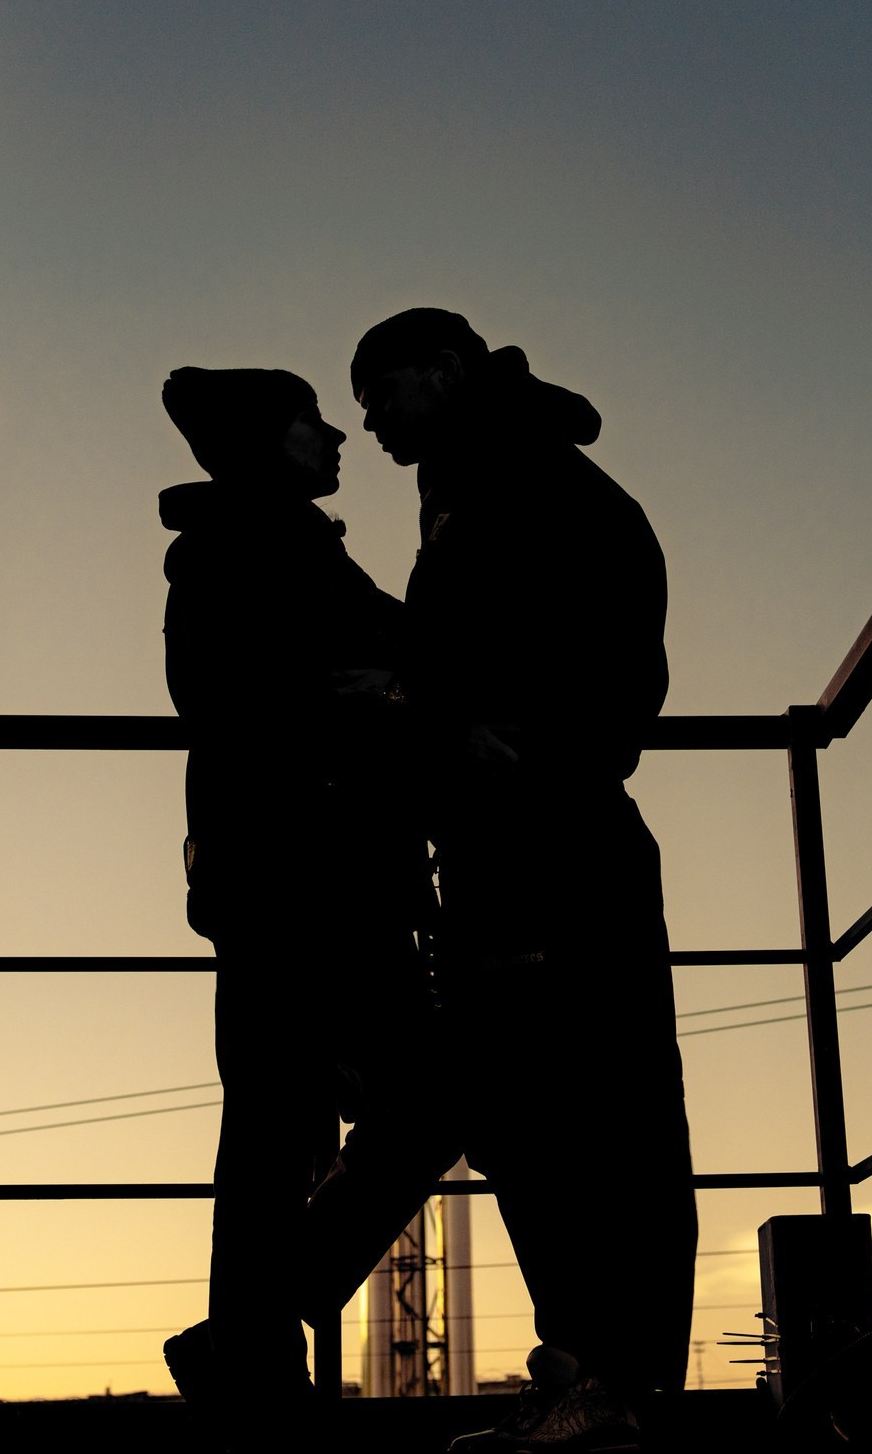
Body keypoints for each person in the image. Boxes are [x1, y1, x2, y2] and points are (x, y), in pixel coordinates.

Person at [350, 308, 695, 1453]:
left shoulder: (521, 484)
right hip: (522, 838)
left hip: (546, 839)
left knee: (581, 1120)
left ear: (442, 370)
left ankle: (617, 1387)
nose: (372, 425)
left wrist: (512, 741)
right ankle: (599, 1380)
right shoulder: (488, 481)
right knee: (547, 1117)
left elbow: (602, 654)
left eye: (381, 393)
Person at [153, 366, 436, 1441]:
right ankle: (251, 1352)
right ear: (267, 439)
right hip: (302, 878)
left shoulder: (296, 547)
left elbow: (402, 646)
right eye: (312, 420)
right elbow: (230, 700)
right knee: (368, 1106)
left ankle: (246, 1342)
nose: (337, 438)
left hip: (314, 875)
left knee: (286, 1127)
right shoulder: (237, 550)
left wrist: (389, 683)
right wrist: (365, 694)